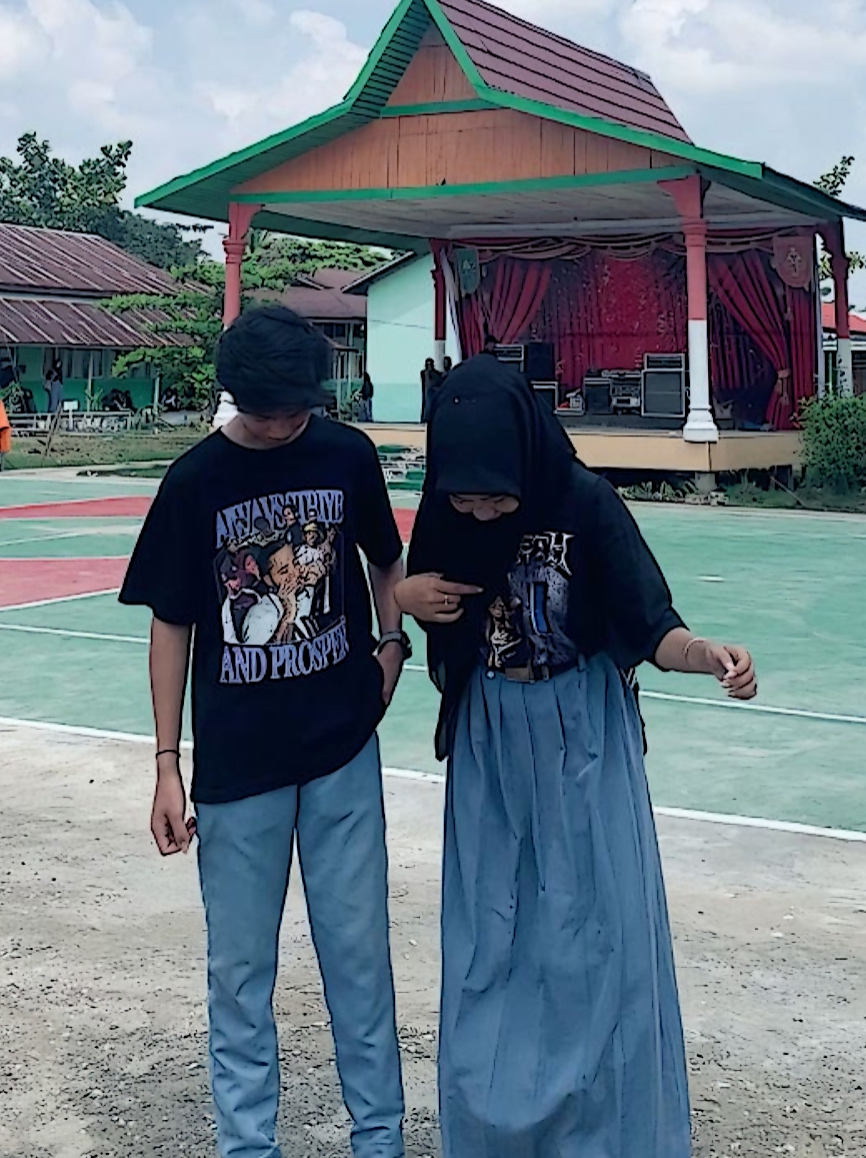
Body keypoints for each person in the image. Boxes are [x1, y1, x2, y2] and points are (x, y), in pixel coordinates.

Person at [395, 354, 757, 1158]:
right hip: (491, 741)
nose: (481, 511)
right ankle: (494, 1128)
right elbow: (422, 596)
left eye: (496, 497)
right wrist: (404, 597)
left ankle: (613, 1132)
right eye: (465, 497)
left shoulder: (585, 502)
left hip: (583, 737)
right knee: (491, 933)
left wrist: (706, 654)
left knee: (597, 934)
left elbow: (652, 623)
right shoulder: (449, 509)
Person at [120, 305, 412, 1158]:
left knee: (358, 959)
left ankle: (380, 1141)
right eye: (273, 409)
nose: (289, 423)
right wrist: (167, 762)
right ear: (237, 396)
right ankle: (248, 1146)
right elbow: (171, 622)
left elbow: (384, 557)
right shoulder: (195, 481)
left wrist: (393, 644)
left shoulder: (346, 454)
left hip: (341, 749)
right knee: (240, 973)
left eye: (299, 407)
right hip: (239, 765)